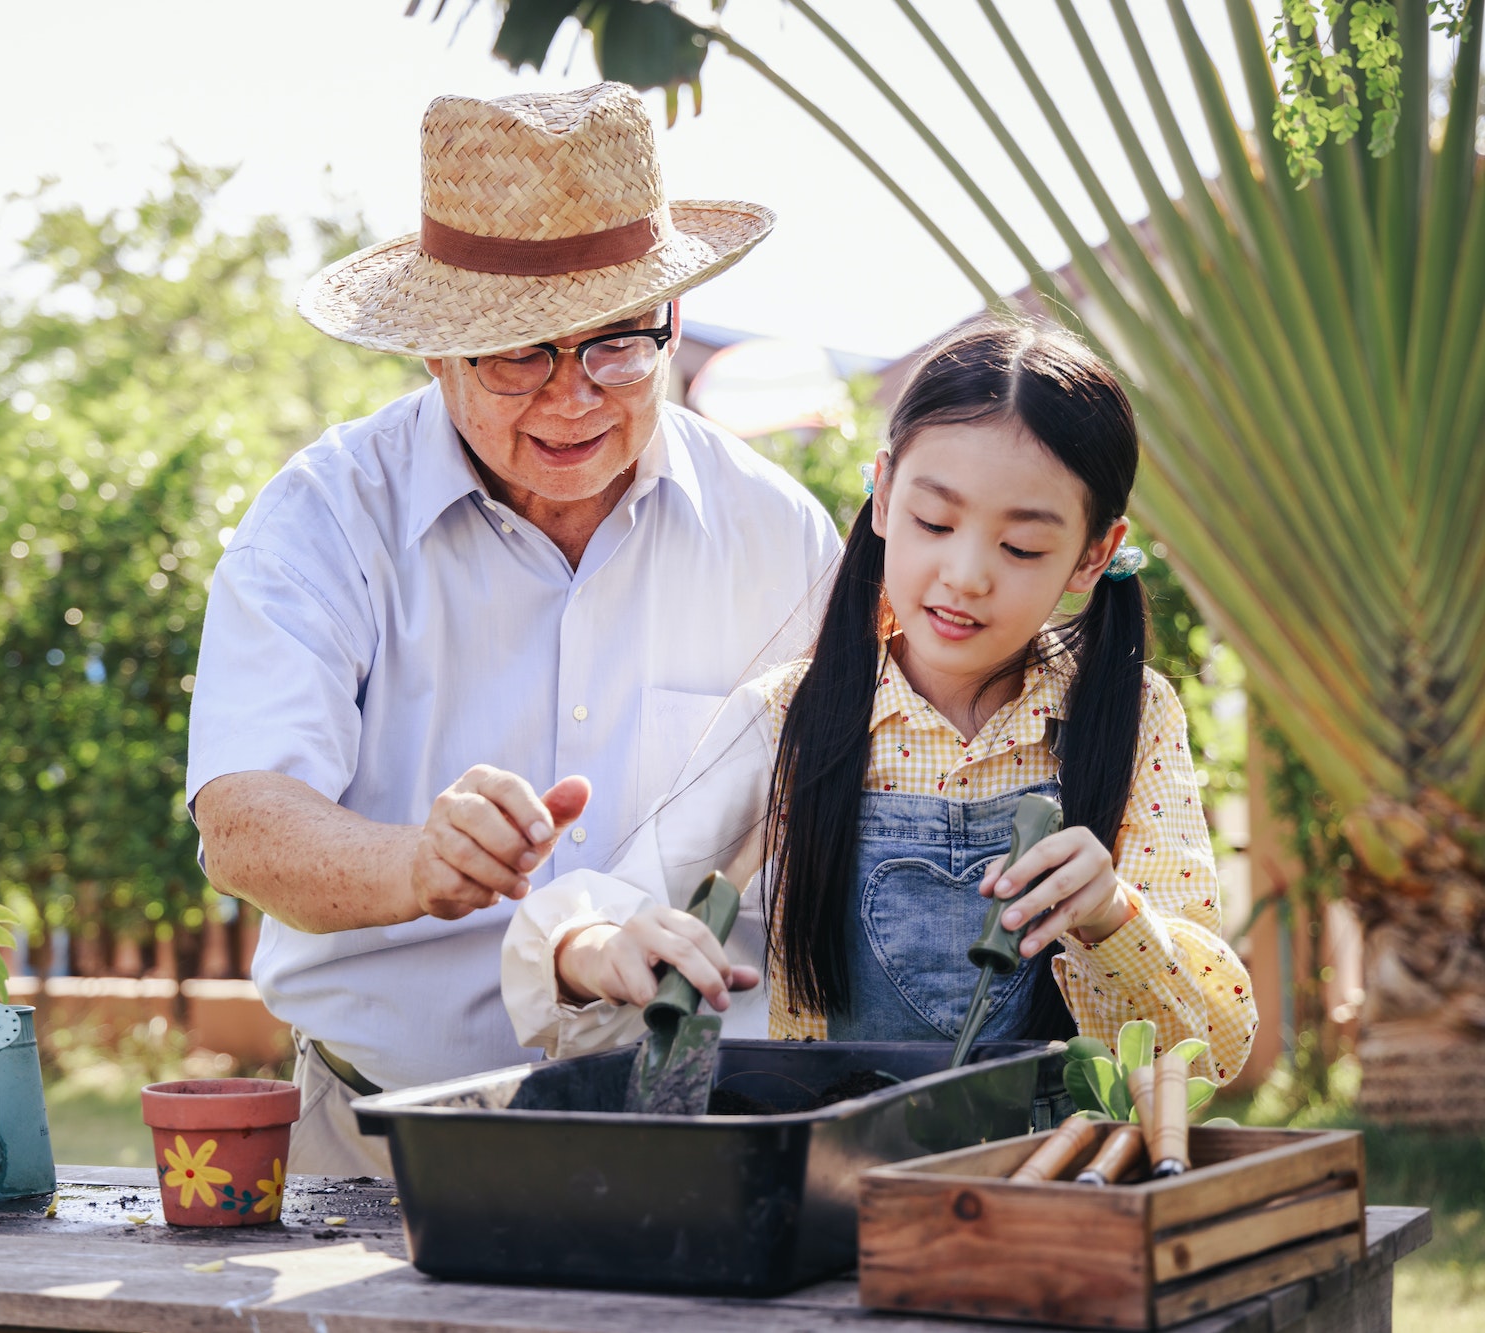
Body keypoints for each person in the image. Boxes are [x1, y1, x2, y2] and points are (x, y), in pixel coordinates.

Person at [187, 83, 842, 1174]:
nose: (573, 397)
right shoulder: (323, 517)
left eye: (617, 347)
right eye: (519, 353)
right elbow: (243, 825)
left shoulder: (778, 537)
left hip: (692, 1142)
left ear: (670, 324)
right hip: (377, 1146)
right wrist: (416, 867)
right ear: (433, 350)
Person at [505, 319, 1257, 1087]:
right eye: (936, 521)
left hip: (1045, 1182)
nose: (966, 574)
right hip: (836, 1174)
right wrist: (592, 949)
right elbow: (615, 912)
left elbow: (1212, 1047)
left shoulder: (1132, 717)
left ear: (1094, 553)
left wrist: (1111, 916)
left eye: (1021, 547)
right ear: (886, 492)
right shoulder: (790, 718)